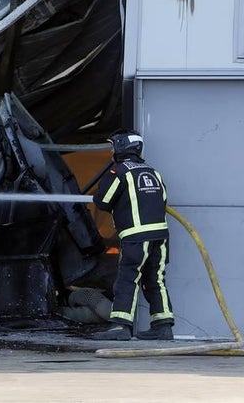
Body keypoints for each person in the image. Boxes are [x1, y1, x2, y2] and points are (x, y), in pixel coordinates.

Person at [90, 129, 174, 341]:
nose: (111, 152)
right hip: (160, 237)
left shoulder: (120, 172)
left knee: (127, 280)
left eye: (113, 147)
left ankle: (121, 326)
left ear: (121, 147)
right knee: (155, 280)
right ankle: (163, 327)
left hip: (136, 238)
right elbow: (163, 200)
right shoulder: (153, 172)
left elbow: (102, 201)